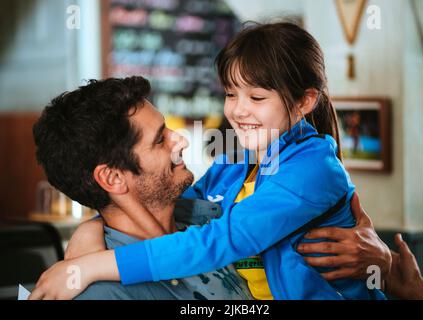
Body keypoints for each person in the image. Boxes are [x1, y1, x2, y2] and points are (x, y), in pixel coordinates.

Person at [30, 22, 386, 300]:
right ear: (111, 178)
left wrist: (91, 264)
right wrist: (90, 230)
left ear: (306, 101)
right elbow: (182, 208)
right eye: (231, 94)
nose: (237, 109)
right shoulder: (237, 161)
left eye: (257, 96)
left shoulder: (312, 169)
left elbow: (222, 236)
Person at [30, 77, 253, 300]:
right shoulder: (104, 294)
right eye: (159, 139)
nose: (181, 141)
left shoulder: (206, 216)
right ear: (113, 177)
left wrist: (89, 232)